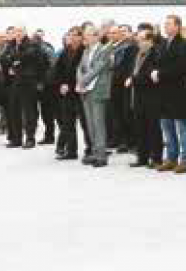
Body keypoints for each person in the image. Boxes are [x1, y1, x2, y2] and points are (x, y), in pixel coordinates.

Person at [155, 15, 186, 173]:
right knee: (167, 125)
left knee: (182, 126)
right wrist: (156, 71)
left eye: (169, 24)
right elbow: (159, 62)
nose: (166, 26)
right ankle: (171, 158)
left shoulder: (184, 45)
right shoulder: (163, 44)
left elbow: (182, 67)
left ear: (178, 26)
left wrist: (160, 73)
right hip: (164, 92)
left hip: (179, 91)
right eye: (165, 24)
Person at [4, 26, 50, 149]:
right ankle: (17, 139)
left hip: (29, 82)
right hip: (14, 83)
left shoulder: (32, 44)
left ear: (25, 32)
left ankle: (30, 138)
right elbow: (4, 59)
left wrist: (15, 61)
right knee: (14, 111)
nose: (18, 34)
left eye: (20, 31)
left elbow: (30, 57)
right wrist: (15, 61)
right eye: (16, 32)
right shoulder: (10, 44)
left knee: (29, 111)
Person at [76, 25, 113, 167]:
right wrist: (80, 81)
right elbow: (80, 68)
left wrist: (83, 81)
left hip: (98, 90)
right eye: (85, 35)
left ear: (96, 36)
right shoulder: (86, 50)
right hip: (86, 90)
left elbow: (97, 69)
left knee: (98, 124)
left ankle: (101, 156)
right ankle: (94, 152)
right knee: (90, 124)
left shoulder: (104, 50)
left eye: (89, 35)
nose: (86, 37)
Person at [128, 27, 164, 168]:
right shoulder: (138, 54)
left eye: (142, 40)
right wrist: (132, 78)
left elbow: (150, 75)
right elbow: (134, 72)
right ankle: (142, 157)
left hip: (151, 96)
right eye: (138, 40)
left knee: (153, 128)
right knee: (140, 127)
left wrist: (134, 79)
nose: (139, 42)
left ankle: (156, 158)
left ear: (150, 41)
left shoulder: (156, 54)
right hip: (138, 96)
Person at [52, 27, 85, 161]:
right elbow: (58, 70)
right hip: (66, 92)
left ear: (80, 37)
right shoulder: (66, 50)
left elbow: (82, 71)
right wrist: (61, 84)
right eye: (69, 35)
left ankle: (91, 149)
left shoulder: (84, 51)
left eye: (74, 35)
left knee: (85, 123)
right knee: (67, 122)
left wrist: (69, 85)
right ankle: (71, 151)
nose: (71, 38)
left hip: (79, 90)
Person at [108, 25, 138, 153]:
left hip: (125, 84)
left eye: (123, 32)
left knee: (127, 113)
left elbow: (130, 66)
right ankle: (120, 139)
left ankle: (129, 141)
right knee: (116, 114)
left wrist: (129, 77)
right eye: (119, 32)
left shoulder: (131, 47)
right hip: (113, 84)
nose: (120, 34)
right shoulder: (111, 47)